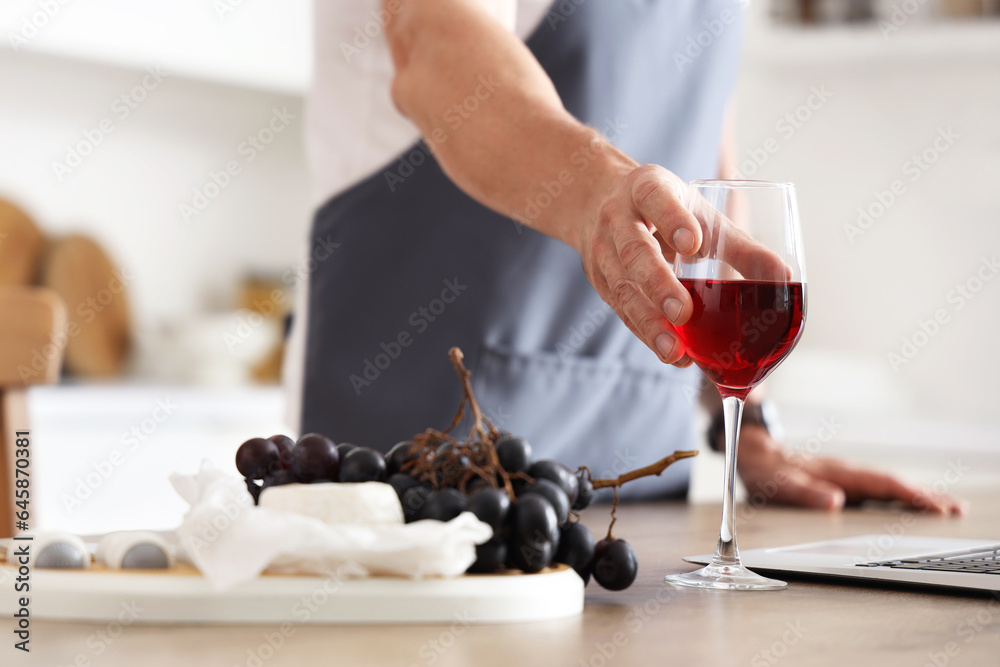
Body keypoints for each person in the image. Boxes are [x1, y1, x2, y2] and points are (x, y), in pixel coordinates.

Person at [283, 0, 962, 512]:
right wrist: (596, 193)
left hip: (638, 483)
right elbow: (433, 48)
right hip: (412, 445)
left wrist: (745, 423)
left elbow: (703, 161)